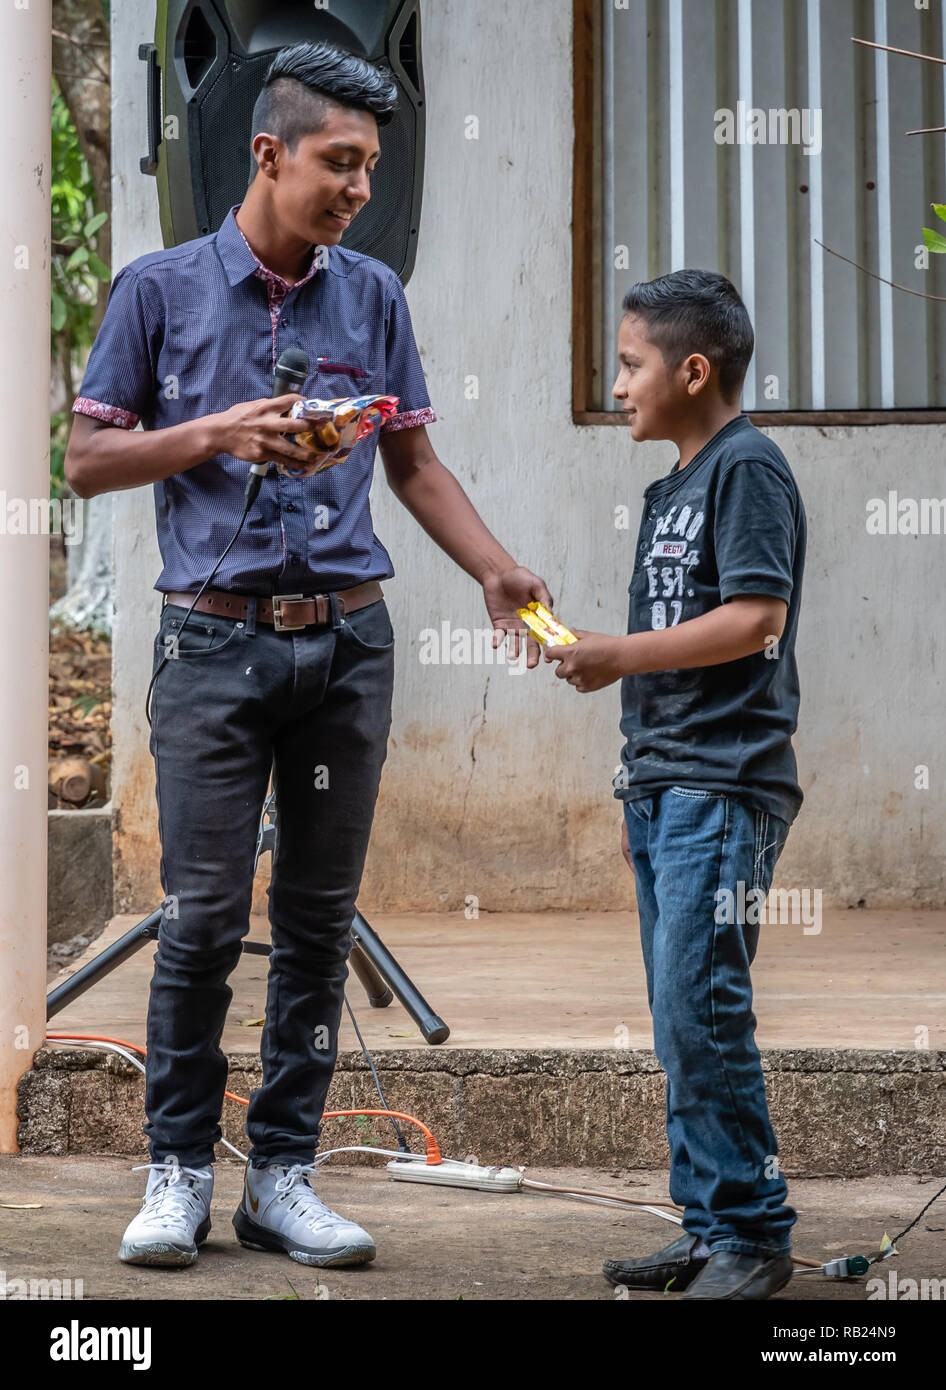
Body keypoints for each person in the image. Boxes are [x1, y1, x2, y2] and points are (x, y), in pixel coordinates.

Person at [65, 40, 550, 1271]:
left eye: (372, 168)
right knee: (206, 917)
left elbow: (414, 463)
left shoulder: (372, 296)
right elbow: (84, 462)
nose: (358, 190)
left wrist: (493, 566)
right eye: (340, 163)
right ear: (269, 154)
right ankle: (177, 1168)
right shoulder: (157, 291)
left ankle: (282, 1175)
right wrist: (215, 433)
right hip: (212, 646)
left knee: (321, 921)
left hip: (345, 646)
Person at [545, 269, 806, 1301]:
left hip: (726, 781)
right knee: (675, 1013)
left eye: (630, 363)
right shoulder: (673, 488)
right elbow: (673, 651)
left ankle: (750, 1233)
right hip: (668, 783)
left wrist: (618, 653)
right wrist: (635, 779)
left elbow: (755, 620)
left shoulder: (748, 471)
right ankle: (707, 1226)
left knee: (704, 1009)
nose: (618, 385)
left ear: (693, 370)